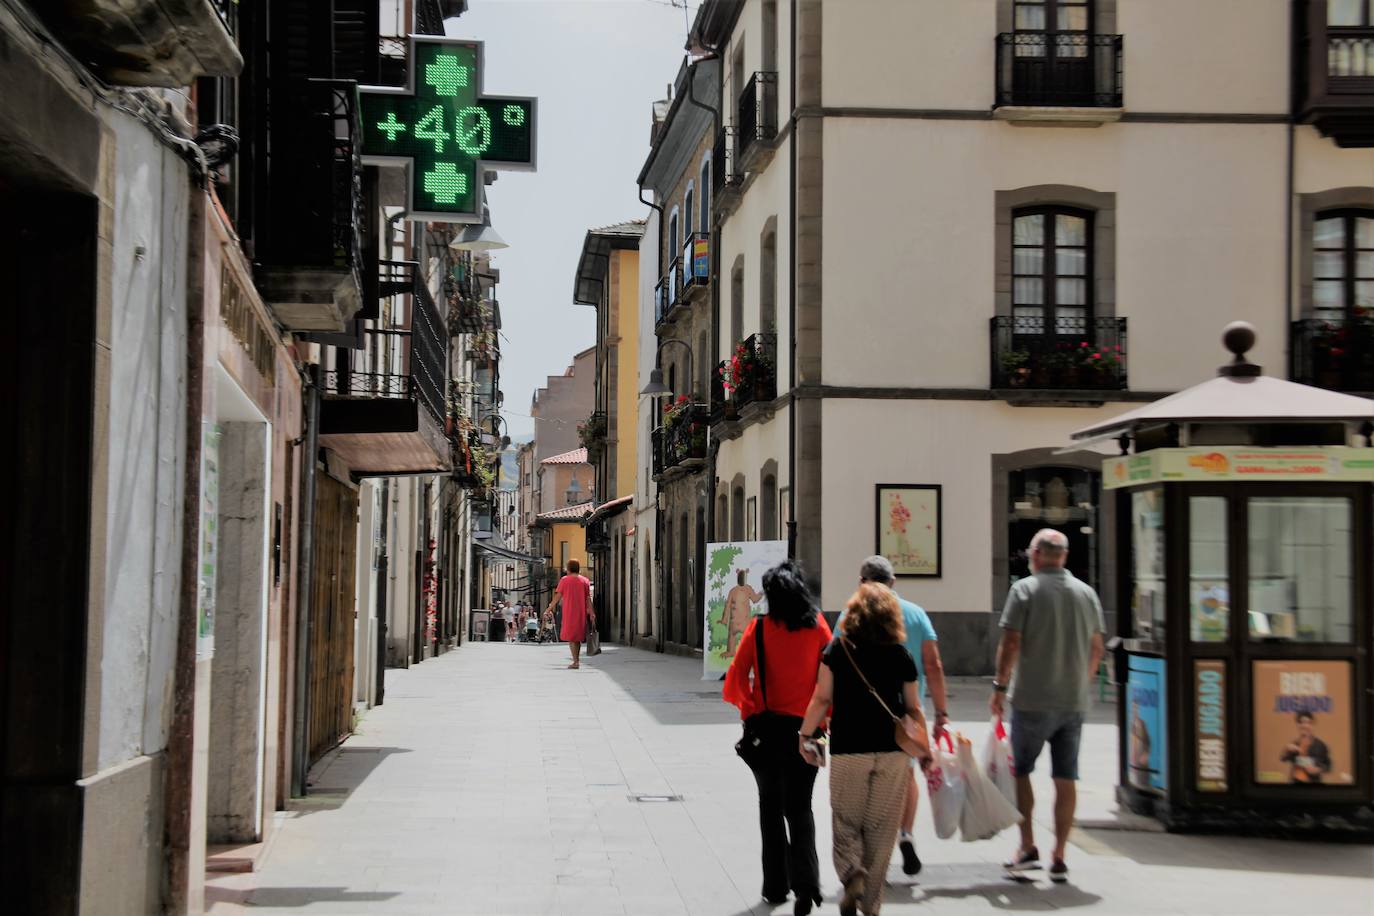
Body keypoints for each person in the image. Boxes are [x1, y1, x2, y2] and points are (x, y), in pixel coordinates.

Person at [991, 529, 1105, 884]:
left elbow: (1010, 642)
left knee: (1021, 770)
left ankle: (1028, 847)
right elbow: (1097, 647)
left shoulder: (1023, 589)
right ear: (1064, 556)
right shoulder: (1087, 594)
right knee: (1065, 776)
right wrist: (1081, 681)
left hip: (1031, 698)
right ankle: (1060, 854)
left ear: (1037, 555)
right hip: (1073, 701)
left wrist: (999, 686)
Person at [799, 583, 920, 916]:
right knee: (882, 831)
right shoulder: (902, 654)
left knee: (846, 822)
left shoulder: (839, 650)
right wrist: (924, 745)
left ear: (853, 614)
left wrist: (805, 733)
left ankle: (851, 872)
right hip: (893, 752)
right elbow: (912, 708)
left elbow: (822, 698)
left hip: (849, 750)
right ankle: (871, 907)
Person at [723, 562, 832, 916]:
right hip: (810, 730)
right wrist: (824, 719)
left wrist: (751, 711)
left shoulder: (758, 629)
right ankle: (807, 885)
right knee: (801, 808)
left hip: (768, 731)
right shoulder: (818, 626)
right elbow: (831, 679)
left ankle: (775, 885)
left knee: (770, 808)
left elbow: (737, 678)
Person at [855, 556, 949, 876]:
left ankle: (871, 845)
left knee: (869, 778)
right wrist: (943, 714)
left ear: (862, 581)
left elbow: (834, 665)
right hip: (907, 717)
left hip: (864, 715)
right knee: (906, 775)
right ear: (893, 582)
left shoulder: (851, 616)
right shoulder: (917, 614)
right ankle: (905, 834)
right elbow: (934, 666)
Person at [545, 559, 593, 668]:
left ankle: (575, 662)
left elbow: (557, 596)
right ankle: (576, 660)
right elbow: (588, 599)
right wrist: (591, 612)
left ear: (569, 568)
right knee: (578, 637)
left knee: (572, 638)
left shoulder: (564, 580)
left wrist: (549, 608)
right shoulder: (585, 581)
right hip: (581, 612)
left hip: (569, 611)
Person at [720, 568, 765, 656]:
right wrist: (761, 593)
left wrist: (724, 620)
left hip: (736, 621)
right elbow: (755, 599)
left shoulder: (733, 590)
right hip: (744, 621)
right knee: (747, 636)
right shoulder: (747, 589)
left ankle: (731, 651)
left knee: (732, 635)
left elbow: (727, 606)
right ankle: (737, 651)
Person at [1281, 711, 1332, 784]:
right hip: (1295, 783)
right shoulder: (1295, 743)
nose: (1305, 725)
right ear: (1298, 725)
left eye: (1308, 723)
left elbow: (1329, 767)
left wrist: (1318, 770)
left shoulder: (1321, 745)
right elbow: (1283, 758)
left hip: (1313, 785)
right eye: (1301, 722)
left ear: (1312, 725)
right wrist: (1286, 749)